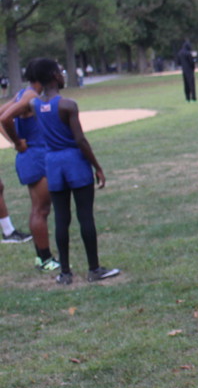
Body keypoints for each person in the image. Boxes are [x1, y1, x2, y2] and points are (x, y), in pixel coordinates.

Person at [28, 58, 119, 284]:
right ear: (54, 76)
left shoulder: (34, 105)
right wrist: (97, 166)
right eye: (60, 71)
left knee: (61, 218)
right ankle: (94, 269)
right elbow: (80, 140)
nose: (63, 74)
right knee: (85, 215)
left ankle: (65, 272)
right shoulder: (67, 105)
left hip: (52, 163)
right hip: (74, 162)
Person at [0, 61, 57, 268]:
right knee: (41, 209)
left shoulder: (23, 93)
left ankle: (42, 258)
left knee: (39, 209)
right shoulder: (30, 97)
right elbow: (5, 117)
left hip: (31, 156)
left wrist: (15, 141)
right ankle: (45, 259)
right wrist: (17, 142)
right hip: (36, 156)